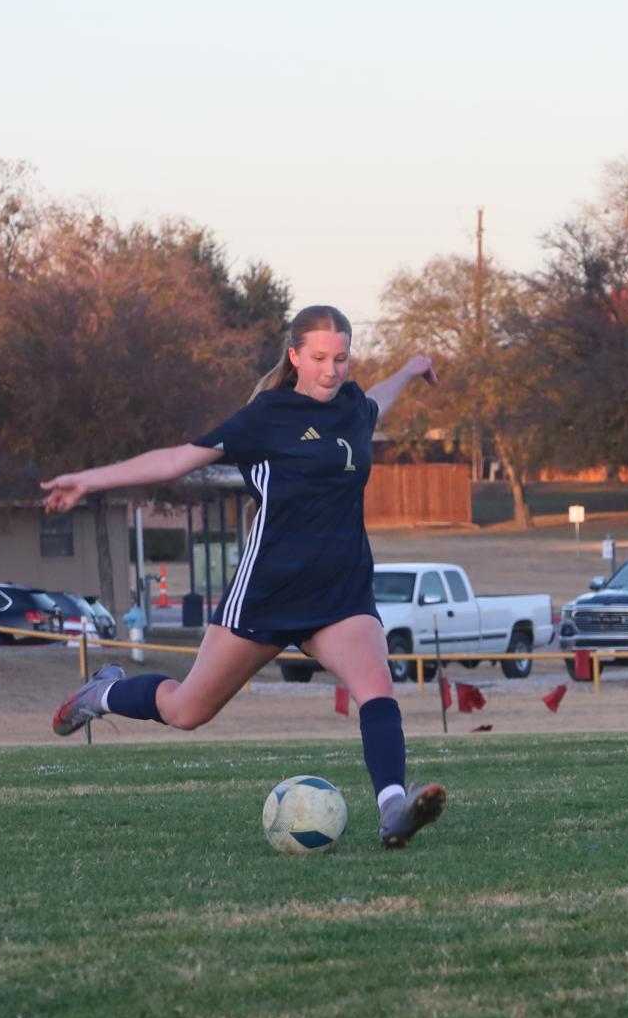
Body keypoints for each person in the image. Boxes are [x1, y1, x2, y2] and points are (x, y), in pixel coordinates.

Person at [40, 305, 448, 849]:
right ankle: (104, 694)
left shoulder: (353, 406)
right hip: (267, 592)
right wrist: (88, 482)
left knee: (376, 685)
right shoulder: (266, 417)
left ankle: (394, 808)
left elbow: (379, 400)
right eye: (321, 358)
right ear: (296, 356)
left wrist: (413, 368)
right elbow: (173, 461)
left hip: (340, 591)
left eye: (343, 359)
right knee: (188, 710)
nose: (332, 370)